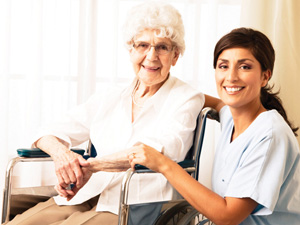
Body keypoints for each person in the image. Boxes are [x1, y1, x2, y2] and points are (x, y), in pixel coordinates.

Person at [4, 2, 221, 225]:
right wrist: (63, 157)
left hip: (136, 202)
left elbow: (154, 151)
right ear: (131, 50)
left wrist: (90, 167)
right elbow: (47, 132)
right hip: (86, 192)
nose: (151, 55)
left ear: (175, 56)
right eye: (143, 45)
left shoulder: (186, 97)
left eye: (162, 47)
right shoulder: (110, 96)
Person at [128, 27, 300, 224]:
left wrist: (163, 164)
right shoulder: (231, 116)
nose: (231, 77)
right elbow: (214, 102)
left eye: (244, 67)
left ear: (265, 76)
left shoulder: (270, 135)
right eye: (223, 66)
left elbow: (227, 216)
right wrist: (159, 88)